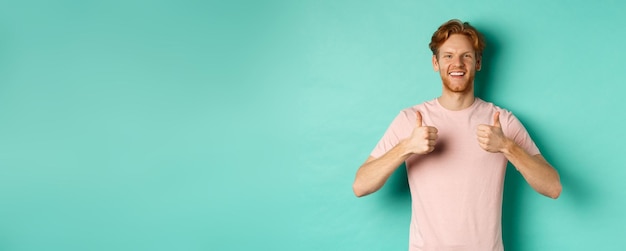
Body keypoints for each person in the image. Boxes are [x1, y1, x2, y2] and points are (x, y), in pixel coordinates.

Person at [352, 19, 562, 251]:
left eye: (466, 56)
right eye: (448, 56)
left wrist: (506, 146)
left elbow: (552, 187)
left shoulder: (502, 121)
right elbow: (361, 185)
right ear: (435, 62)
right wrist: (406, 147)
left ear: (478, 62)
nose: (457, 63)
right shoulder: (410, 119)